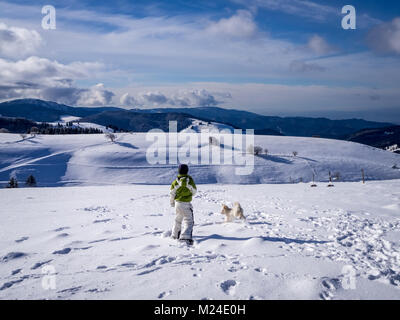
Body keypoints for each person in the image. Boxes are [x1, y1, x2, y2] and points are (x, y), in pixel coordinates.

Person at [170, 164, 197, 245]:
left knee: (178, 219)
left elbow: (172, 193)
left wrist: (172, 202)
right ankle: (185, 237)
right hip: (186, 203)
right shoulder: (190, 181)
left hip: (177, 203)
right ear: (187, 171)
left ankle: (175, 235)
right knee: (188, 221)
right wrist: (189, 194)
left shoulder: (176, 182)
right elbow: (194, 191)